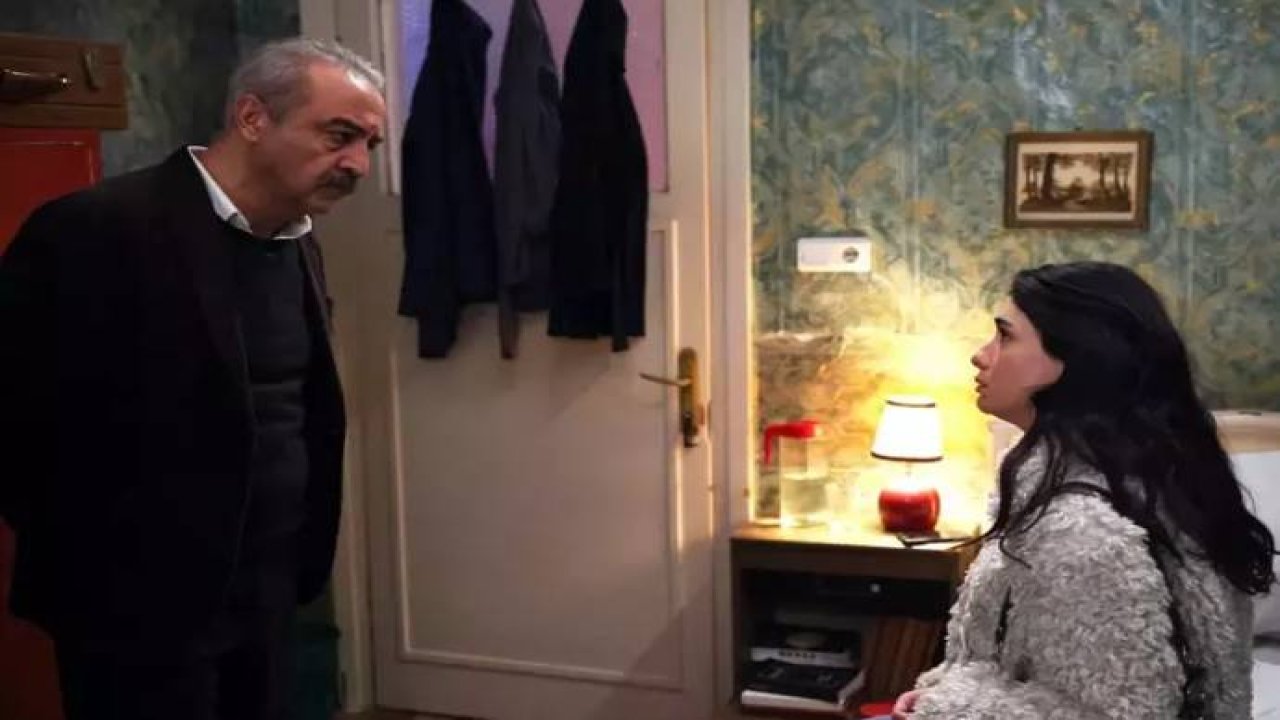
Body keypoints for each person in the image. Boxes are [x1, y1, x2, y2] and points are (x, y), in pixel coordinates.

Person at [0, 37, 386, 720]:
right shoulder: (97, 229)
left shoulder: (297, 242)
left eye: (369, 145)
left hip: (266, 591)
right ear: (252, 117)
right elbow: (15, 415)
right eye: (339, 136)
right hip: (133, 607)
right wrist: (99, 566)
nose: (358, 164)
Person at [892, 261, 1274, 719]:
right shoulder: (1124, 488)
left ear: (1074, 358)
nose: (980, 354)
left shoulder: (1084, 536)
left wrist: (948, 707)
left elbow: (1118, 715)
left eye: (1005, 336)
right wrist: (944, 693)